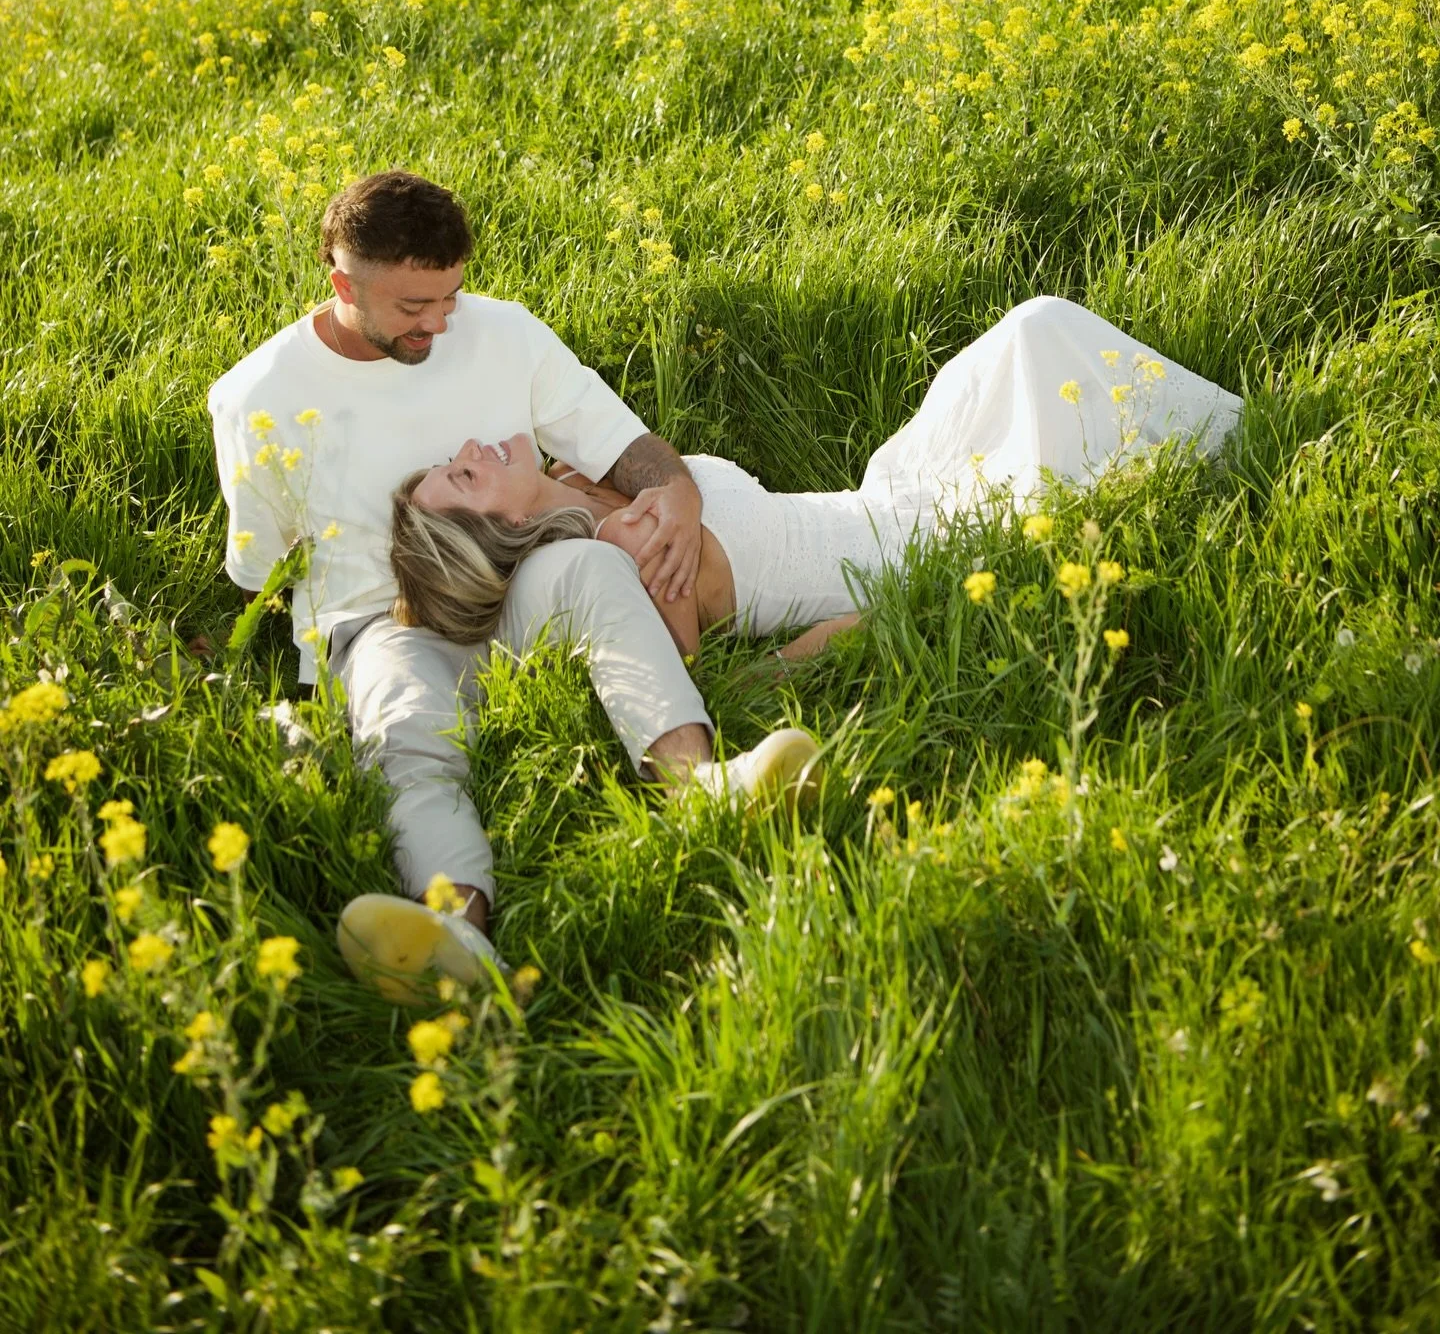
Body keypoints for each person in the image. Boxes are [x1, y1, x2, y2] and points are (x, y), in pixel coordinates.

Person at [208, 171, 818, 1008]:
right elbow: (259, 575)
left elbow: (623, 445)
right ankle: (454, 928)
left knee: (591, 568)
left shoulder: (502, 333)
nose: (439, 323)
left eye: (450, 296)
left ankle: (700, 788)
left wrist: (676, 490)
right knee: (404, 715)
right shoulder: (258, 397)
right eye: (414, 307)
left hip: (516, 584)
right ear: (342, 284)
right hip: (382, 622)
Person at [390, 294, 1243, 663]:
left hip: (894, 493)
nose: (470, 450)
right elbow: (702, 672)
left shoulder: (590, 480)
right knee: (1055, 361)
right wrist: (866, 626)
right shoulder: (627, 549)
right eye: (463, 478)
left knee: (1028, 342)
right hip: (919, 550)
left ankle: (1239, 435)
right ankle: (1253, 445)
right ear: (505, 529)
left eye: (453, 461)